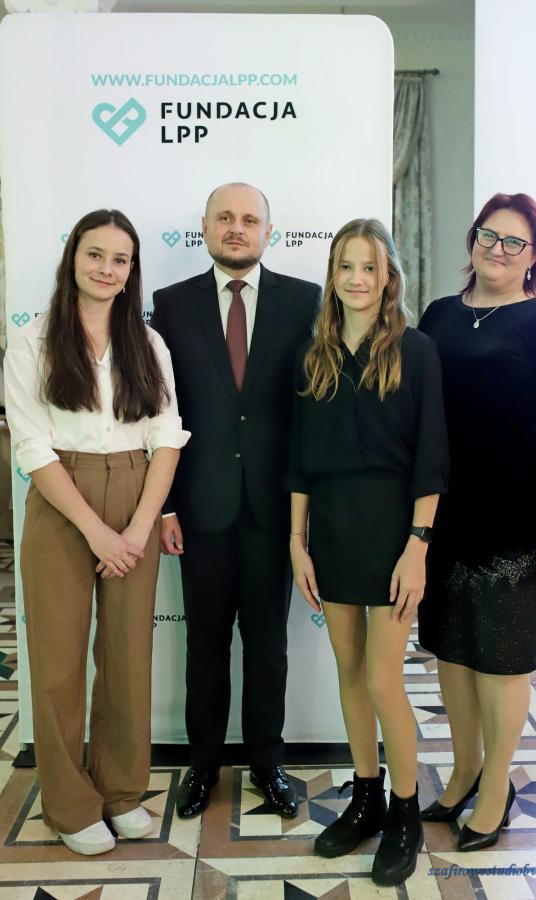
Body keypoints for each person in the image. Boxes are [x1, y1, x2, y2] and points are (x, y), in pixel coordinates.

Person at [4, 209, 189, 856]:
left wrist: (137, 527)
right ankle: (69, 804)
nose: (107, 269)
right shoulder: (32, 342)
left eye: (120, 259)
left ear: (132, 270)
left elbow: (167, 437)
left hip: (137, 493)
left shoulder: (149, 343)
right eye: (95, 255)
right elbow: (31, 447)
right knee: (57, 662)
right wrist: (96, 532)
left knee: (128, 657)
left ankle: (122, 791)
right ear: (73, 259)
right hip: (62, 499)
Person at [418, 193, 536, 851]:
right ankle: (464, 771)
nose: (497, 248)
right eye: (488, 235)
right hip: (445, 516)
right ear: (473, 239)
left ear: (535, 256)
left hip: (516, 523)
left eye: (515, 241)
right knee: (452, 652)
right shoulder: (439, 314)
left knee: (501, 662)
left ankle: (496, 789)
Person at [151, 182, 321, 820]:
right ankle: (202, 765)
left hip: (275, 510)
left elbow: (313, 408)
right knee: (205, 644)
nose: (237, 228)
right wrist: (167, 505)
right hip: (201, 508)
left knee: (268, 646)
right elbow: (160, 410)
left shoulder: (305, 300)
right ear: (205, 227)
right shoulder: (171, 305)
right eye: (225, 217)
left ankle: (267, 764)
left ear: (268, 233)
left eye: (250, 219)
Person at [288, 218, 448, 886]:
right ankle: (367, 797)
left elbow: (432, 458)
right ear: (333, 276)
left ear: (389, 278)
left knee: (384, 679)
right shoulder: (313, 355)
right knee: (349, 671)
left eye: (369, 267)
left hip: (391, 532)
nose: (356, 279)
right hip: (330, 531)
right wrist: (297, 542)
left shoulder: (416, 350)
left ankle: (406, 811)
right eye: (345, 266)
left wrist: (418, 547)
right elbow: (299, 461)